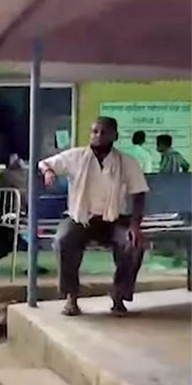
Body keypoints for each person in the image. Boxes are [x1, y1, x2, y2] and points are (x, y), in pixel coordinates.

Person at [39, 117, 148, 316]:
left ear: (115, 135)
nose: (97, 136)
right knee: (63, 240)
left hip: (114, 220)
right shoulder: (76, 157)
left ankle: (119, 296)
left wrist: (135, 226)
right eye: (94, 132)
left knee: (134, 245)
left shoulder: (126, 162)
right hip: (81, 219)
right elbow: (45, 163)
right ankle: (71, 297)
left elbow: (139, 193)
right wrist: (48, 172)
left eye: (103, 132)